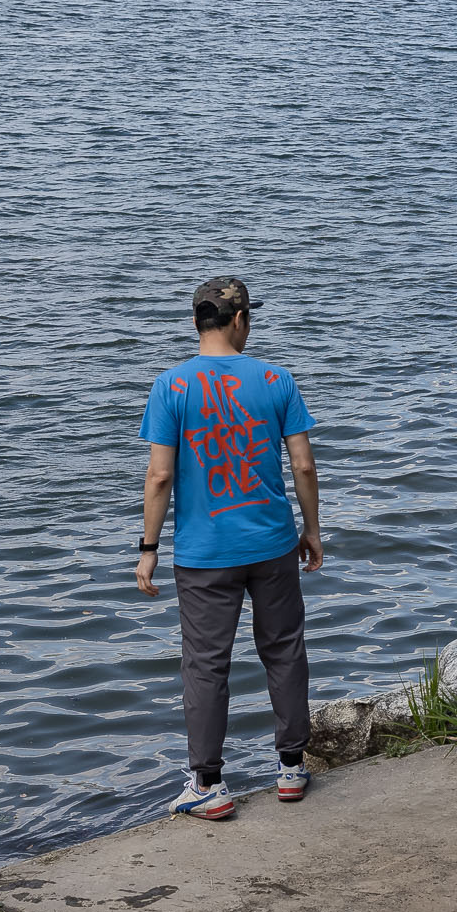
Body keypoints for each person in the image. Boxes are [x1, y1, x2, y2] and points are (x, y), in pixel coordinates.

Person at [137, 276, 324, 820]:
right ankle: (291, 769)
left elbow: (159, 477)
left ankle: (209, 785)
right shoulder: (276, 378)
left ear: (198, 321)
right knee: (284, 650)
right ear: (238, 319)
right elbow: (304, 465)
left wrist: (148, 547)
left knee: (205, 665)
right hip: (271, 544)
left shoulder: (170, 386)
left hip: (204, 553)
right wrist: (310, 531)